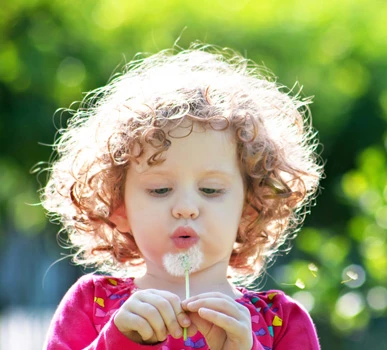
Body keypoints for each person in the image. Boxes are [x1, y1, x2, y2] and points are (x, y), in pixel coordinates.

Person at [41, 42, 323, 349]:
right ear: (118, 208)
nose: (186, 208)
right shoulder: (91, 305)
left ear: (250, 209)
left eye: (211, 190)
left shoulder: (281, 322)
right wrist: (118, 341)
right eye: (160, 190)